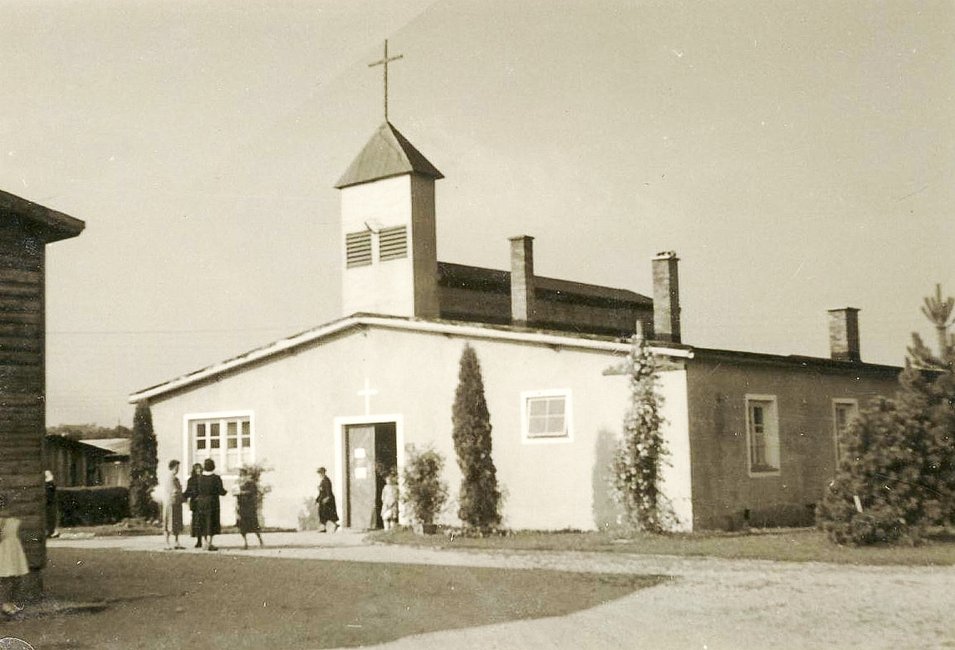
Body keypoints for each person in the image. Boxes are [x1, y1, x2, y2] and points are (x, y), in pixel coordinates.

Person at [0, 494, 28, 617]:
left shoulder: (14, 518)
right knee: (6, 577)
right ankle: (4, 603)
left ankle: (10, 602)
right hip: (4, 549)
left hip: (14, 548)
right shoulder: (2, 520)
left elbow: (18, 533)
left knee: (15, 577)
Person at [195, 459, 226, 551]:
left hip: (201, 502)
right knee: (211, 521)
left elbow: (197, 490)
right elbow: (221, 491)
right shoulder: (216, 478)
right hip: (212, 502)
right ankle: (209, 543)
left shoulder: (200, 478)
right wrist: (226, 492)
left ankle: (205, 542)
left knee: (203, 521)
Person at [235, 469, 264, 550]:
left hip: (249, 506)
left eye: (243, 475)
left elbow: (253, 493)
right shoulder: (239, 484)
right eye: (240, 476)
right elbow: (237, 496)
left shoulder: (251, 483)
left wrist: (242, 492)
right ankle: (245, 543)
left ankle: (260, 540)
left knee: (254, 525)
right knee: (242, 526)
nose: (242, 477)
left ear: (246, 476)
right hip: (242, 507)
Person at [160, 460, 185, 550]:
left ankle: (176, 542)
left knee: (176, 522)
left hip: (176, 503)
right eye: (176, 467)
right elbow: (174, 491)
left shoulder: (175, 478)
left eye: (178, 467)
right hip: (170, 503)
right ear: (173, 467)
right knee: (168, 522)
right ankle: (167, 543)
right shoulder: (170, 478)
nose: (178, 469)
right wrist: (181, 495)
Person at [315, 467, 339, 533]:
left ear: (323, 472)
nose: (319, 474)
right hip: (323, 501)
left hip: (327, 501)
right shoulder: (322, 481)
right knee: (323, 514)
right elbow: (321, 492)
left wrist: (327, 498)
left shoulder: (326, 480)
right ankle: (323, 528)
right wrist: (317, 500)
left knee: (327, 514)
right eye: (319, 473)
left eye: (320, 473)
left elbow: (328, 491)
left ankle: (333, 525)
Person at [44, 470, 59, 539]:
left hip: (49, 503)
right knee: (50, 518)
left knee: (50, 518)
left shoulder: (48, 485)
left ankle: (50, 531)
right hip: (50, 503)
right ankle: (50, 531)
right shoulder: (51, 484)